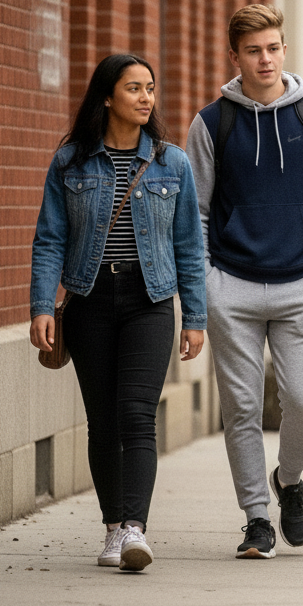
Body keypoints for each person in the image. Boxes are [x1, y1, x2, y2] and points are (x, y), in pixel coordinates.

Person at [187, 4, 303, 559]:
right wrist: (209, 281)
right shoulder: (213, 123)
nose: (266, 59)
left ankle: (290, 478)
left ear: (285, 49)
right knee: (241, 408)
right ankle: (257, 517)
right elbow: (197, 213)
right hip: (231, 284)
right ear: (235, 56)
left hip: (301, 283)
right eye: (254, 50)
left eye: (274, 47)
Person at [30, 54, 207, 572]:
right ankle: (112, 528)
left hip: (149, 301)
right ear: (108, 97)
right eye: (134, 88)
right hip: (88, 301)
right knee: (103, 422)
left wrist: (194, 316)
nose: (147, 97)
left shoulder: (173, 162)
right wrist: (43, 305)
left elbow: (190, 247)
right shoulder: (71, 162)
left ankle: (135, 528)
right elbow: (50, 239)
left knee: (137, 416)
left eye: (150, 88)